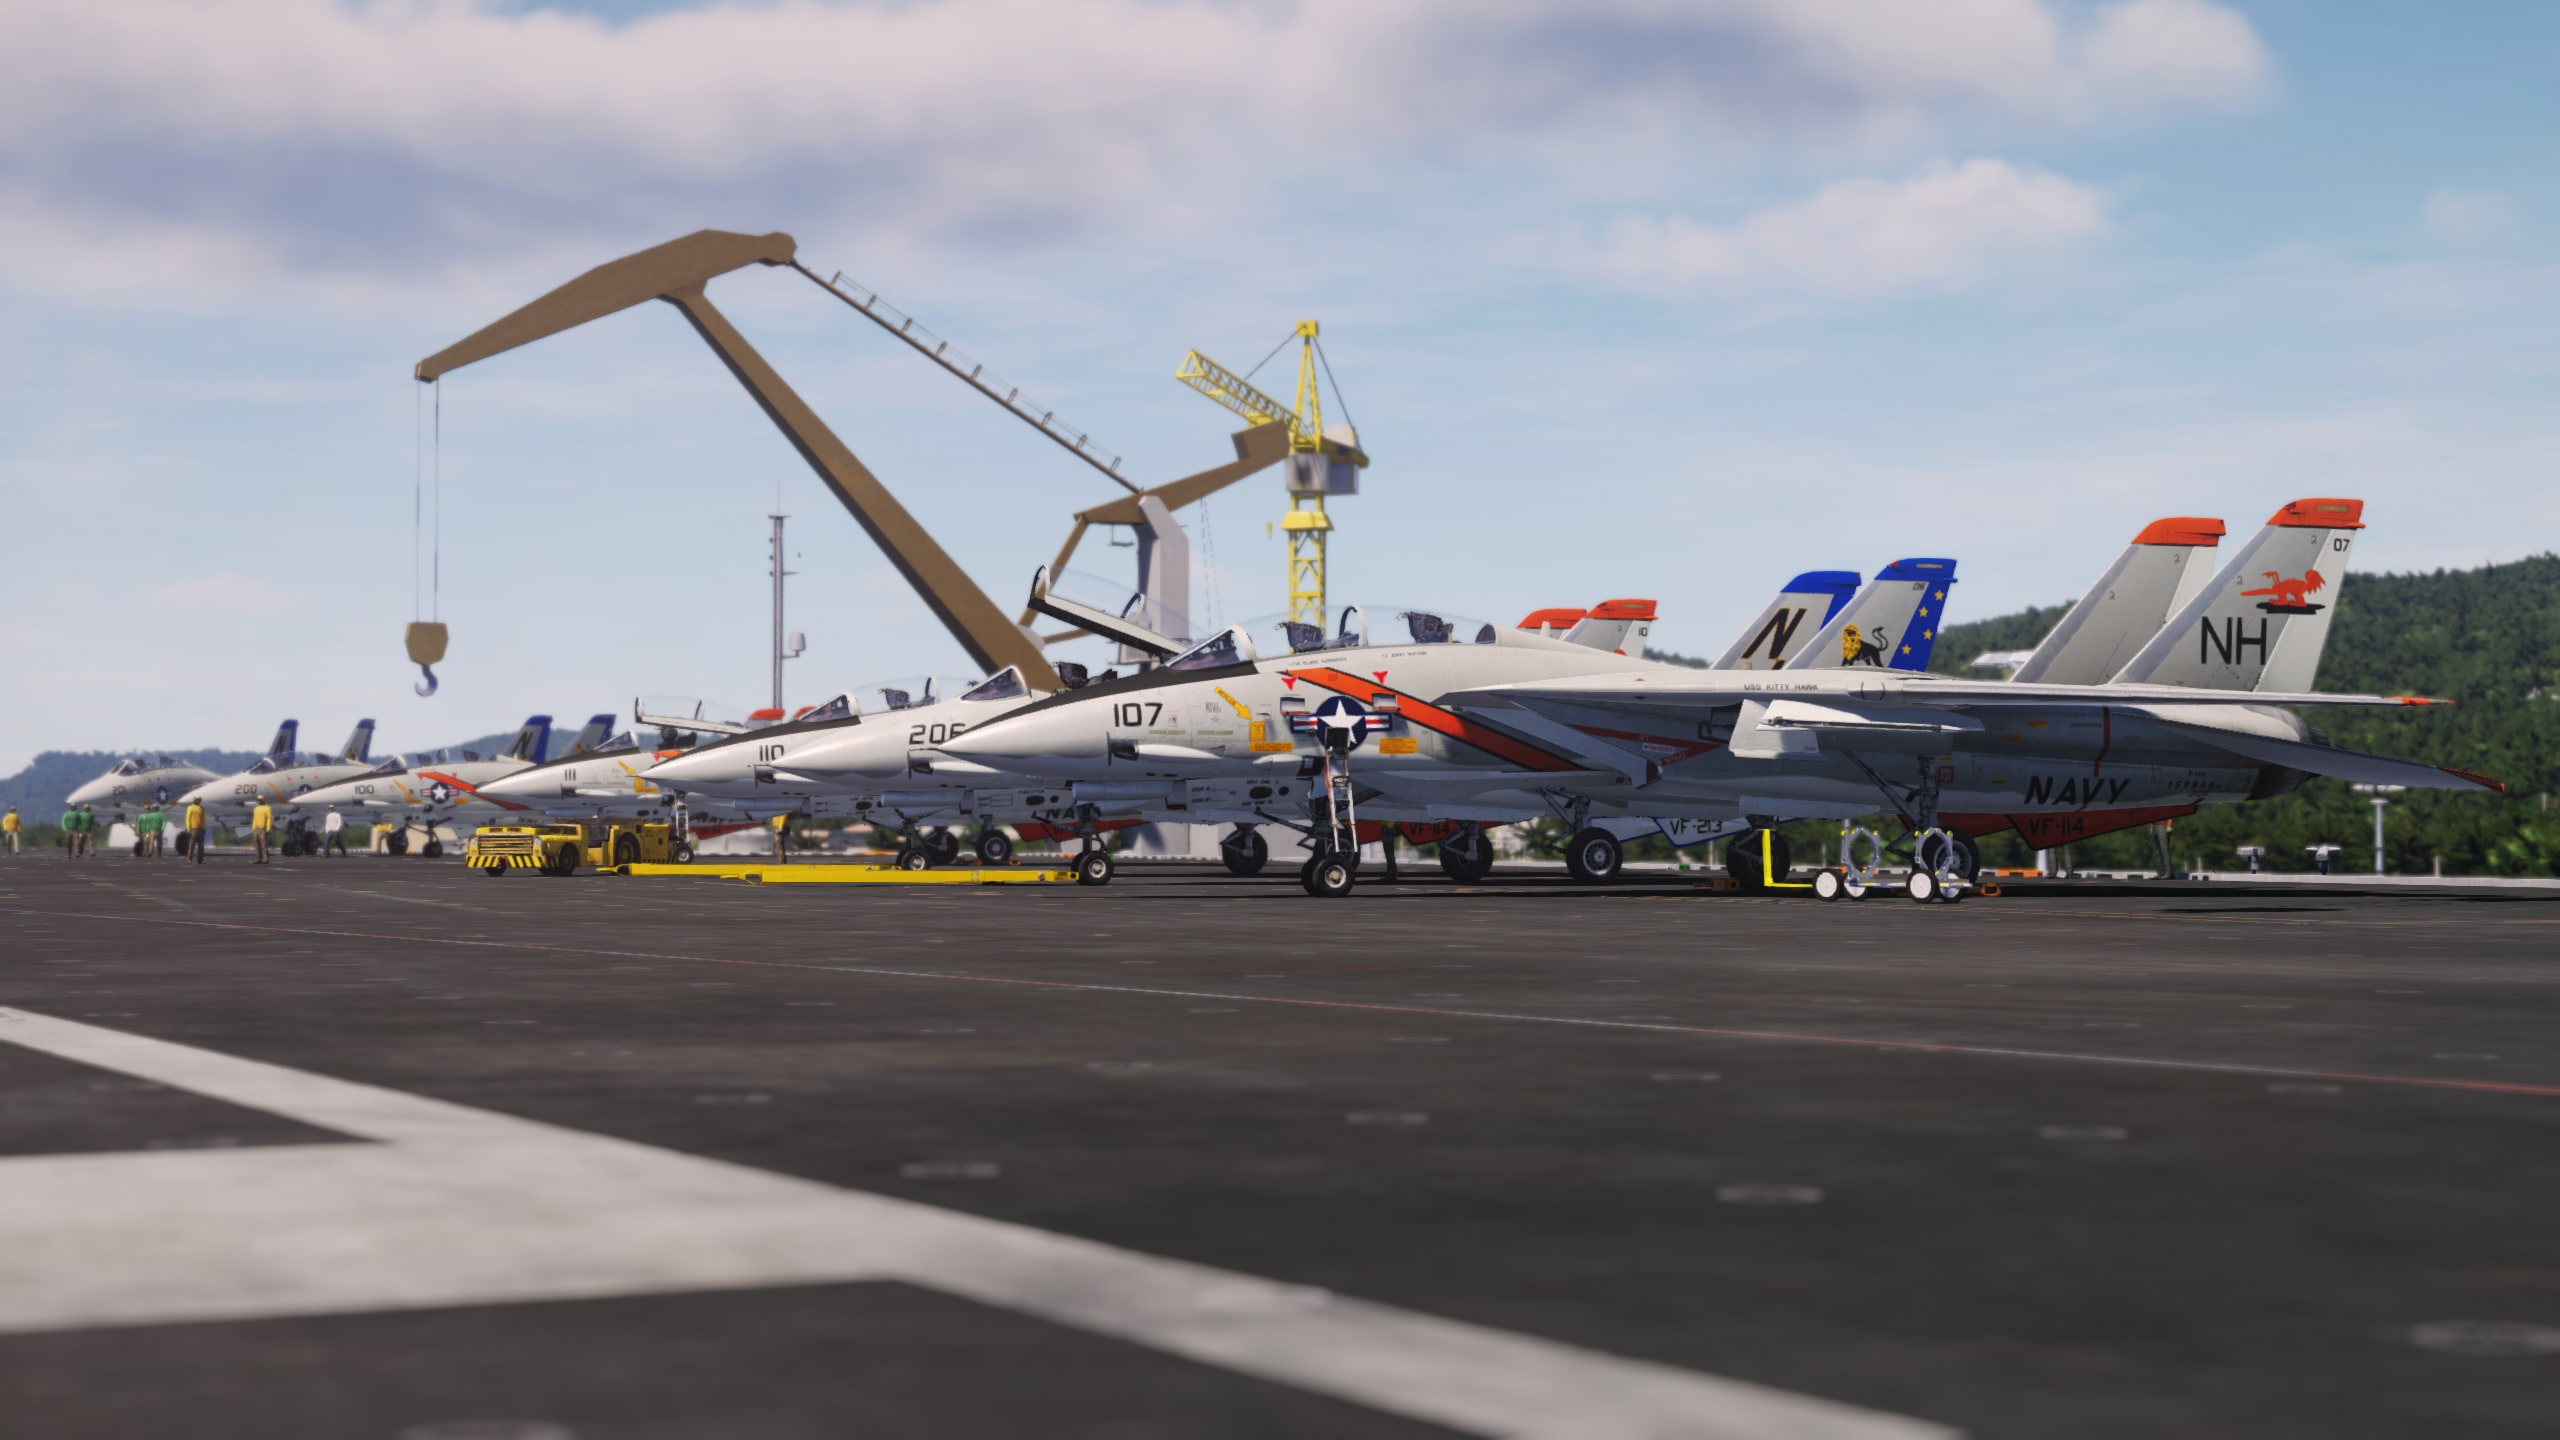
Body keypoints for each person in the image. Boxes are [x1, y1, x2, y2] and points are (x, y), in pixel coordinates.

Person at [250, 799, 274, 864]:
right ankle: (258, 859)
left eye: (260, 800)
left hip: (262, 828)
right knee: (257, 845)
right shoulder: (256, 809)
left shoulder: (267, 808)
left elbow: (269, 818)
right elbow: (254, 818)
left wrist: (268, 827)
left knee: (263, 845)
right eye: (258, 800)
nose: (259, 801)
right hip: (256, 828)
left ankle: (265, 859)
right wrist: (253, 827)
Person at [185, 799, 207, 863]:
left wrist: (204, 828)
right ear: (194, 800)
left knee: (201, 846)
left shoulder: (201, 808)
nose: (199, 801)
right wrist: (188, 828)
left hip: (201, 829)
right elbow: (188, 818)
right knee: (191, 845)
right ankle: (189, 859)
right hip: (193, 829)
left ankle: (200, 860)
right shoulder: (190, 808)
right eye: (197, 800)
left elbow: (203, 819)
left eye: (199, 800)